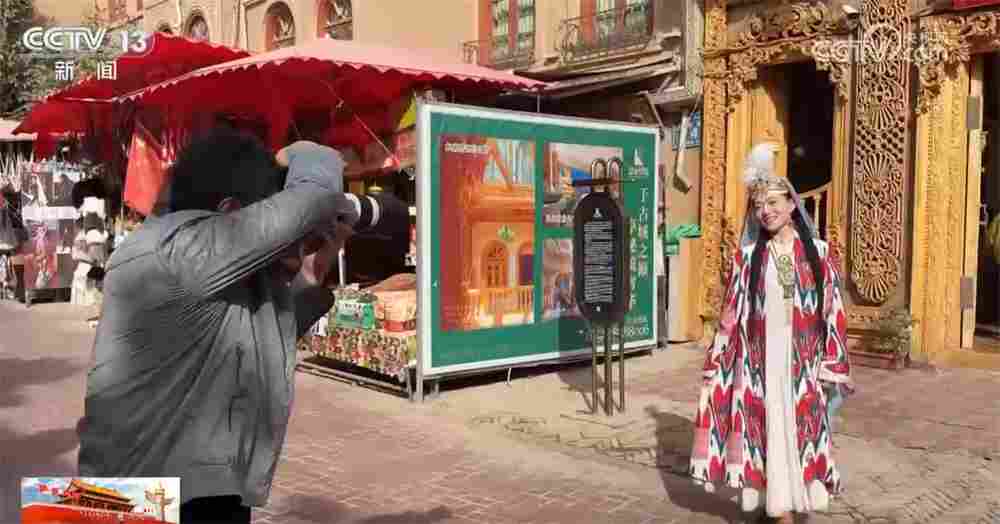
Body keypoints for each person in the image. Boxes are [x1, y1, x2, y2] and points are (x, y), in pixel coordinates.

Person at [77, 129, 360, 524]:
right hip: (137, 499)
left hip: (194, 492)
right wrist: (310, 153)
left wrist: (317, 263)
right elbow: (312, 200)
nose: (285, 238)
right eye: (270, 217)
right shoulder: (173, 248)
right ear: (229, 213)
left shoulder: (206, 264)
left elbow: (258, 335)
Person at [688, 143, 855, 524]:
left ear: (792, 205)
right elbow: (731, 313)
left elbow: (833, 310)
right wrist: (717, 361)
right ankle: (777, 507)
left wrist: (834, 362)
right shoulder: (747, 257)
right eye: (760, 205)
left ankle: (791, 502)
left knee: (803, 429)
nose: (766, 211)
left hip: (803, 364)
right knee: (765, 431)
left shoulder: (819, 252)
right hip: (759, 365)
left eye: (774, 203)